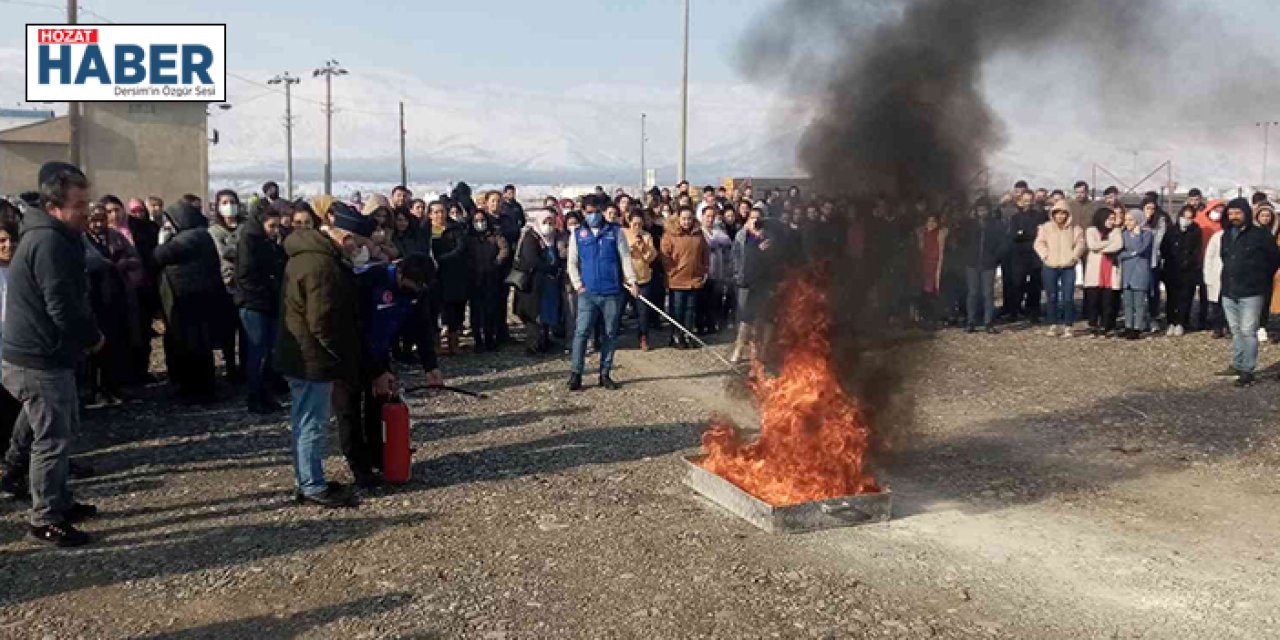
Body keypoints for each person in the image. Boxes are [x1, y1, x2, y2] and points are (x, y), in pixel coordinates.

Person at [1, 162, 102, 546]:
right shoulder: (48, 242)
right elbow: (61, 304)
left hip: (45, 356)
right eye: (79, 204)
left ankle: (58, 499)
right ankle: (45, 516)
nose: (86, 211)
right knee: (53, 438)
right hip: (37, 359)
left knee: (49, 429)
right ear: (55, 206)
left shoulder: (55, 237)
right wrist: (91, 338)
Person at [273, 222, 360, 508]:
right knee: (313, 421)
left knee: (304, 418)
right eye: (349, 238)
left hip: (297, 351)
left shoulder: (303, 255)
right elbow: (321, 318)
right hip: (311, 356)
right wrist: (338, 353)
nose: (354, 245)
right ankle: (312, 484)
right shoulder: (321, 265)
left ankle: (307, 478)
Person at [155, 202, 233, 402]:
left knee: (193, 348)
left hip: (191, 301)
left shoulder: (190, 237)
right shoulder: (200, 234)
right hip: (196, 300)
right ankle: (195, 386)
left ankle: (196, 390)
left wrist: (162, 242)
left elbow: (160, 256)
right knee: (196, 347)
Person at [566, 197, 638, 391]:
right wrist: (578, 284)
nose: (593, 215)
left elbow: (625, 257)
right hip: (587, 293)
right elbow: (572, 262)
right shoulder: (578, 234)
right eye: (588, 212)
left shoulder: (615, 232)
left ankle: (605, 373)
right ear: (583, 212)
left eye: (596, 211)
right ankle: (576, 373)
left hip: (611, 292)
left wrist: (631, 280)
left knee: (610, 333)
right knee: (581, 332)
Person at [1217, 199, 1280, 387]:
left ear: (1246, 213)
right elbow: (1225, 258)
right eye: (1231, 213)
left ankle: (1247, 370)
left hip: (1252, 292)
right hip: (1229, 290)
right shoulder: (1226, 235)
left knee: (1248, 331)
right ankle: (1237, 363)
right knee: (1236, 330)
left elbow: (1274, 258)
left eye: (1237, 213)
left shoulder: (1261, 235)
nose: (1234, 217)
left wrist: (1259, 276)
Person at [83, 204, 142, 405]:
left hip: (118, 295)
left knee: (117, 343)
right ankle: (95, 389)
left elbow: (134, 256)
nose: (98, 224)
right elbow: (86, 262)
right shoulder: (81, 239)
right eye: (93, 220)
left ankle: (115, 386)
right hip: (94, 297)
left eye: (101, 219)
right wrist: (107, 264)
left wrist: (126, 263)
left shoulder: (116, 236)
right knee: (95, 347)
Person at [234, 201, 287, 414]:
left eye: (277, 227)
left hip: (269, 303)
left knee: (269, 351)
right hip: (254, 303)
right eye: (271, 226)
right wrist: (268, 289)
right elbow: (245, 274)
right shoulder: (249, 241)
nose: (275, 231)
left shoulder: (269, 243)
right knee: (257, 351)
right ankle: (254, 395)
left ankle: (265, 392)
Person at [514, 209, 563, 355]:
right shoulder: (531, 237)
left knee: (547, 312)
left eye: (550, 222)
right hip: (534, 284)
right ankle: (533, 345)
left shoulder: (553, 238)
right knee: (533, 314)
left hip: (550, 284)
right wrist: (550, 268)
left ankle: (545, 340)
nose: (548, 225)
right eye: (545, 222)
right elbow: (531, 260)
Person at [955, 200, 1008, 333]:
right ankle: (971, 321)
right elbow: (961, 241)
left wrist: (995, 257)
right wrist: (966, 256)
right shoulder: (969, 225)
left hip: (989, 264)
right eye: (979, 210)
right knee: (972, 293)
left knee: (988, 293)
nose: (982, 212)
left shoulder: (996, 225)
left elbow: (1003, 244)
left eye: (984, 210)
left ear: (988, 211)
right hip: (972, 263)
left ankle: (988, 322)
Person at [1034, 200, 1085, 337]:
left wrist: (1074, 257)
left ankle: (1068, 325)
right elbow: (1039, 243)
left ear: (1068, 214)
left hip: (1068, 267)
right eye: (1057, 214)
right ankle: (1053, 324)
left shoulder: (1075, 228)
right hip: (1050, 266)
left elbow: (1080, 244)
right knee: (1052, 296)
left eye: (1063, 214)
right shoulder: (1046, 227)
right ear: (1053, 214)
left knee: (1068, 297)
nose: (1060, 217)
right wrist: (1045, 256)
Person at [661, 207, 710, 349]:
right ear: (678, 219)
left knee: (690, 309)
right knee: (677, 309)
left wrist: (705, 269)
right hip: (677, 279)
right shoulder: (670, 235)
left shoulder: (698, 234)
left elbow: (705, 253)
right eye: (684, 219)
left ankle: (688, 334)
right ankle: (676, 335)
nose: (686, 222)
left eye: (689, 218)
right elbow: (665, 256)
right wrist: (671, 271)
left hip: (694, 278)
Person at [209, 189, 244, 384]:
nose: (229, 205)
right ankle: (230, 367)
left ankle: (247, 368)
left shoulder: (245, 227)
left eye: (232, 201)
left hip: (245, 285)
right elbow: (222, 252)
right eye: (224, 202)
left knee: (246, 331)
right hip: (224, 285)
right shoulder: (214, 230)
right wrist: (238, 250)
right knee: (227, 331)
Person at [427, 200, 469, 355]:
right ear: (430, 214)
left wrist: (441, 259)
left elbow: (461, 248)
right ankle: (437, 345)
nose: (439, 215)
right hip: (433, 277)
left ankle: (454, 344)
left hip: (453, 275)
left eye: (442, 211)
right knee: (434, 312)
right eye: (436, 212)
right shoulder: (426, 231)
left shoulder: (455, 229)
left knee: (454, 310)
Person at [465, 209, 511, 352]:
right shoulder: (468, 237)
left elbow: (504, 249)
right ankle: (478, 340)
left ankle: (491, 339)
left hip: (492, 278)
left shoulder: (494, 234)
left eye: (482, 220)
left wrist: (496, 262)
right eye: (477, 221)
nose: (480, 223)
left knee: (491, 310)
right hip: (475, 279)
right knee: (476, 312)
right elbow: (464, 254)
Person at [1161, 204, 1203, 338]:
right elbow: (1164, 248)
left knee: (1185, 298)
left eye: (1190, 218)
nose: (1186, 220)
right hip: (1171, 269)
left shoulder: (1196, 231)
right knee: (1172, 298)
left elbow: (1197, 250)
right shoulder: (1171, 230)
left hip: (1188, 271)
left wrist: (1188, 262)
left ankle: (1181, 322)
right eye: (1184, 217)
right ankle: (1171, 322)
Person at [1083, 209, 1123, 337]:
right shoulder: (1091, 230)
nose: (1111, 222)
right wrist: (1108, 243)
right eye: (1109, 219)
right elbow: (1092, 245)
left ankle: (1106, 325)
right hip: (1095, 270)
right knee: (1093, 300)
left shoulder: (1116, 231)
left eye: (1113, 219)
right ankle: (1093, 324)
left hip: (1110, 269)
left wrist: (1102, 249)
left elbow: (1118, 245)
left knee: (1108, 301)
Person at [623, 211, 659, 350]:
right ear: (629, 222)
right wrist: (629, 249)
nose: (637, 226)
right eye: (634, 223)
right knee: (619, 310)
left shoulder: (647, 236)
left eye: (639, 224)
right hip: (625, 279)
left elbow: (651, 257)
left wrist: (643, 247)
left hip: (643, 278)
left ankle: (643, 337)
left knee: (643, 312)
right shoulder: (623, 234)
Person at [1119, 209, 1154, 340]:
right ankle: (1128, 325)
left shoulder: (1147, 234)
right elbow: (1120, 253)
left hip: (1140, 271)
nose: (1127, 222)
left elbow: (1141, 249)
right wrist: (1131, 254)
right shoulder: (1124, 234)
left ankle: (1137, 327)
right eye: (1126, 219)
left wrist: (1138, 236)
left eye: (1130, 220)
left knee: (1139, 303)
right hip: (1127, 271)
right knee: (1127, 302)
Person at [698, 207, 733, 335]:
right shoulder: (698, 232)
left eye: (712, 216)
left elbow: (728, 242)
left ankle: (712, 325)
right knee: (702, 301)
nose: (710, 219)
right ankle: (701, 326)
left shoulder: (718, 232)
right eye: (707, 216)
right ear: (702, 217)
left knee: (715, 300)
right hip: (703, 272)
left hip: (718, 271)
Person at [916, 214, 949, 326]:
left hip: (934, 265)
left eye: (933, 221)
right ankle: (925, 316)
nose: (931, 224)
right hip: (923, 265)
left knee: (934, 291)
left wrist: (939, 268)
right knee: (924, 292)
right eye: (929, 221)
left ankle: (934, 317)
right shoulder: (922, 233)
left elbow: (940, 252)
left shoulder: (939, 234)